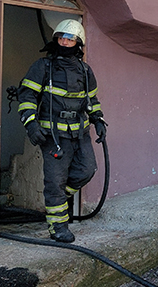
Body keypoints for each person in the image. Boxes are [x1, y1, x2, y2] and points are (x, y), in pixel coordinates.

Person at [17, 19, 107, 243]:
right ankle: (58, 227)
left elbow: (92, 99)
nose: (64, 42)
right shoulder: (42, 67)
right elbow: (27, 96)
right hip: (53, 136)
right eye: (61, 37)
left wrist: (98, 120)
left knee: (87, 170)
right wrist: (30, 124)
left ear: (78, 42)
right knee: (55, 181)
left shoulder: (85, 71)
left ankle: (58, 200)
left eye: (70, 38)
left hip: (80, 132)